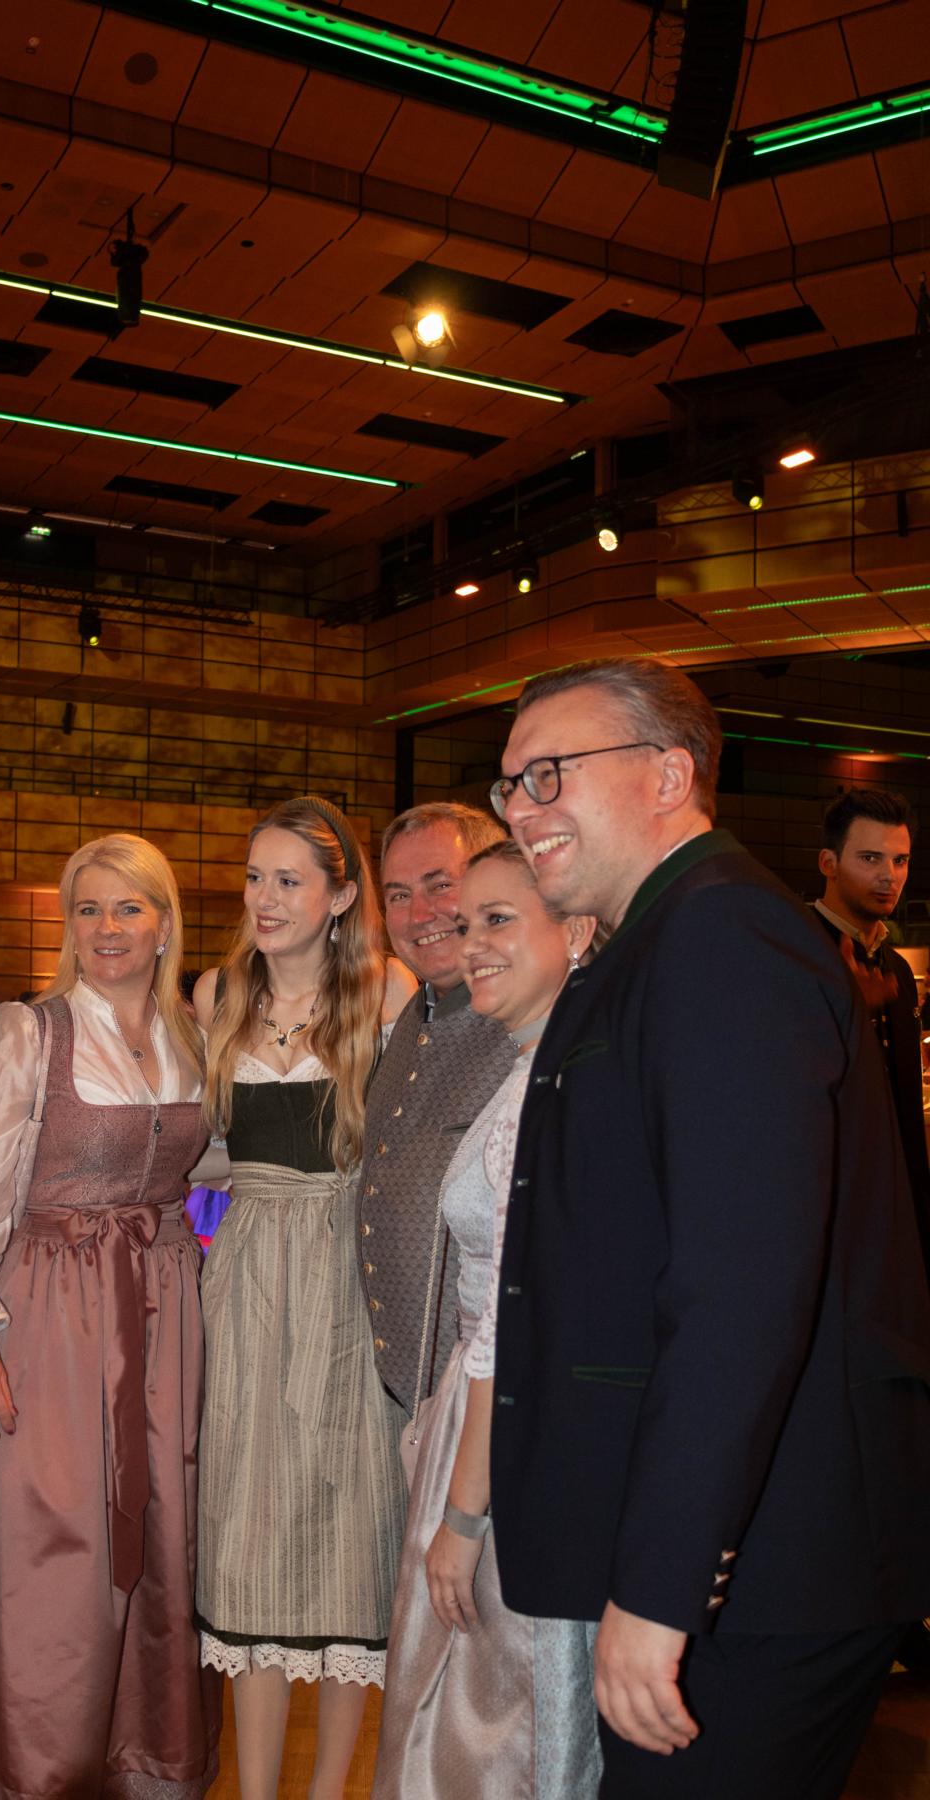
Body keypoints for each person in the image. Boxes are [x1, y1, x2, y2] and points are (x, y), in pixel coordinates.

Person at [488, 656, 930, 1800]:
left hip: (770, 1564)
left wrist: (664, 1584)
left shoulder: (724, 935)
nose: (522, 808)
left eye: (550, 773)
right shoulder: (664, 935)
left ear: (669, 774)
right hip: (741, 1550)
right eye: (510, 784)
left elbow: (741, 1291)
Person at [0, 834, 221, 1799]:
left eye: (128, 907)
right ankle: (26, 1771)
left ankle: (142, 1767)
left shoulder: (197, 1037)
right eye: (87, 909)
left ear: (164, 923)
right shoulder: (28, 1032)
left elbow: (213, 1165)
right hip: (48, 1313)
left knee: (163, 1537)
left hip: (163, 1308)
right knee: (49, 1547)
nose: (107, 928)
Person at [194, 795, 416, 1800]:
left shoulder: (387, 991)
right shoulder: (217, 994)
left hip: (347, 1275)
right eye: (255, 877)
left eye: (289, 880)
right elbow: (201, 1150)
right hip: (246, 1274)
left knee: (348, 1530)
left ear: (339, 896)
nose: (266, 898)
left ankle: (329, 1792)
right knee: (247, 1533)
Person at [374, 839, 601, 1799]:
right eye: (466, 926)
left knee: (483, 1724)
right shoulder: (530, 1068)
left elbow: (512, 1316)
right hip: (475, 1421)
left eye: (498, 920)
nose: (470, 944)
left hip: (504, 1439)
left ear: (577, 930)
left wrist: (465, 1515)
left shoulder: (548, 1091)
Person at [360, 803, 514, 1429]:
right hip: (401, 1401)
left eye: (439, 885)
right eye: (398, 894)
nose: (418, 914)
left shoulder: (529, 1027)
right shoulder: (409, 1019)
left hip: (491, 1398)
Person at [813, 787, 929, 1260]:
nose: (889, 876)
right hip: (824, 1215)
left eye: (900, 861)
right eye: (870, 858)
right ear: (829, 863)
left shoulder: (896, 968)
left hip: (898, 1211)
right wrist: (847, 1010)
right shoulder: (795, 954)